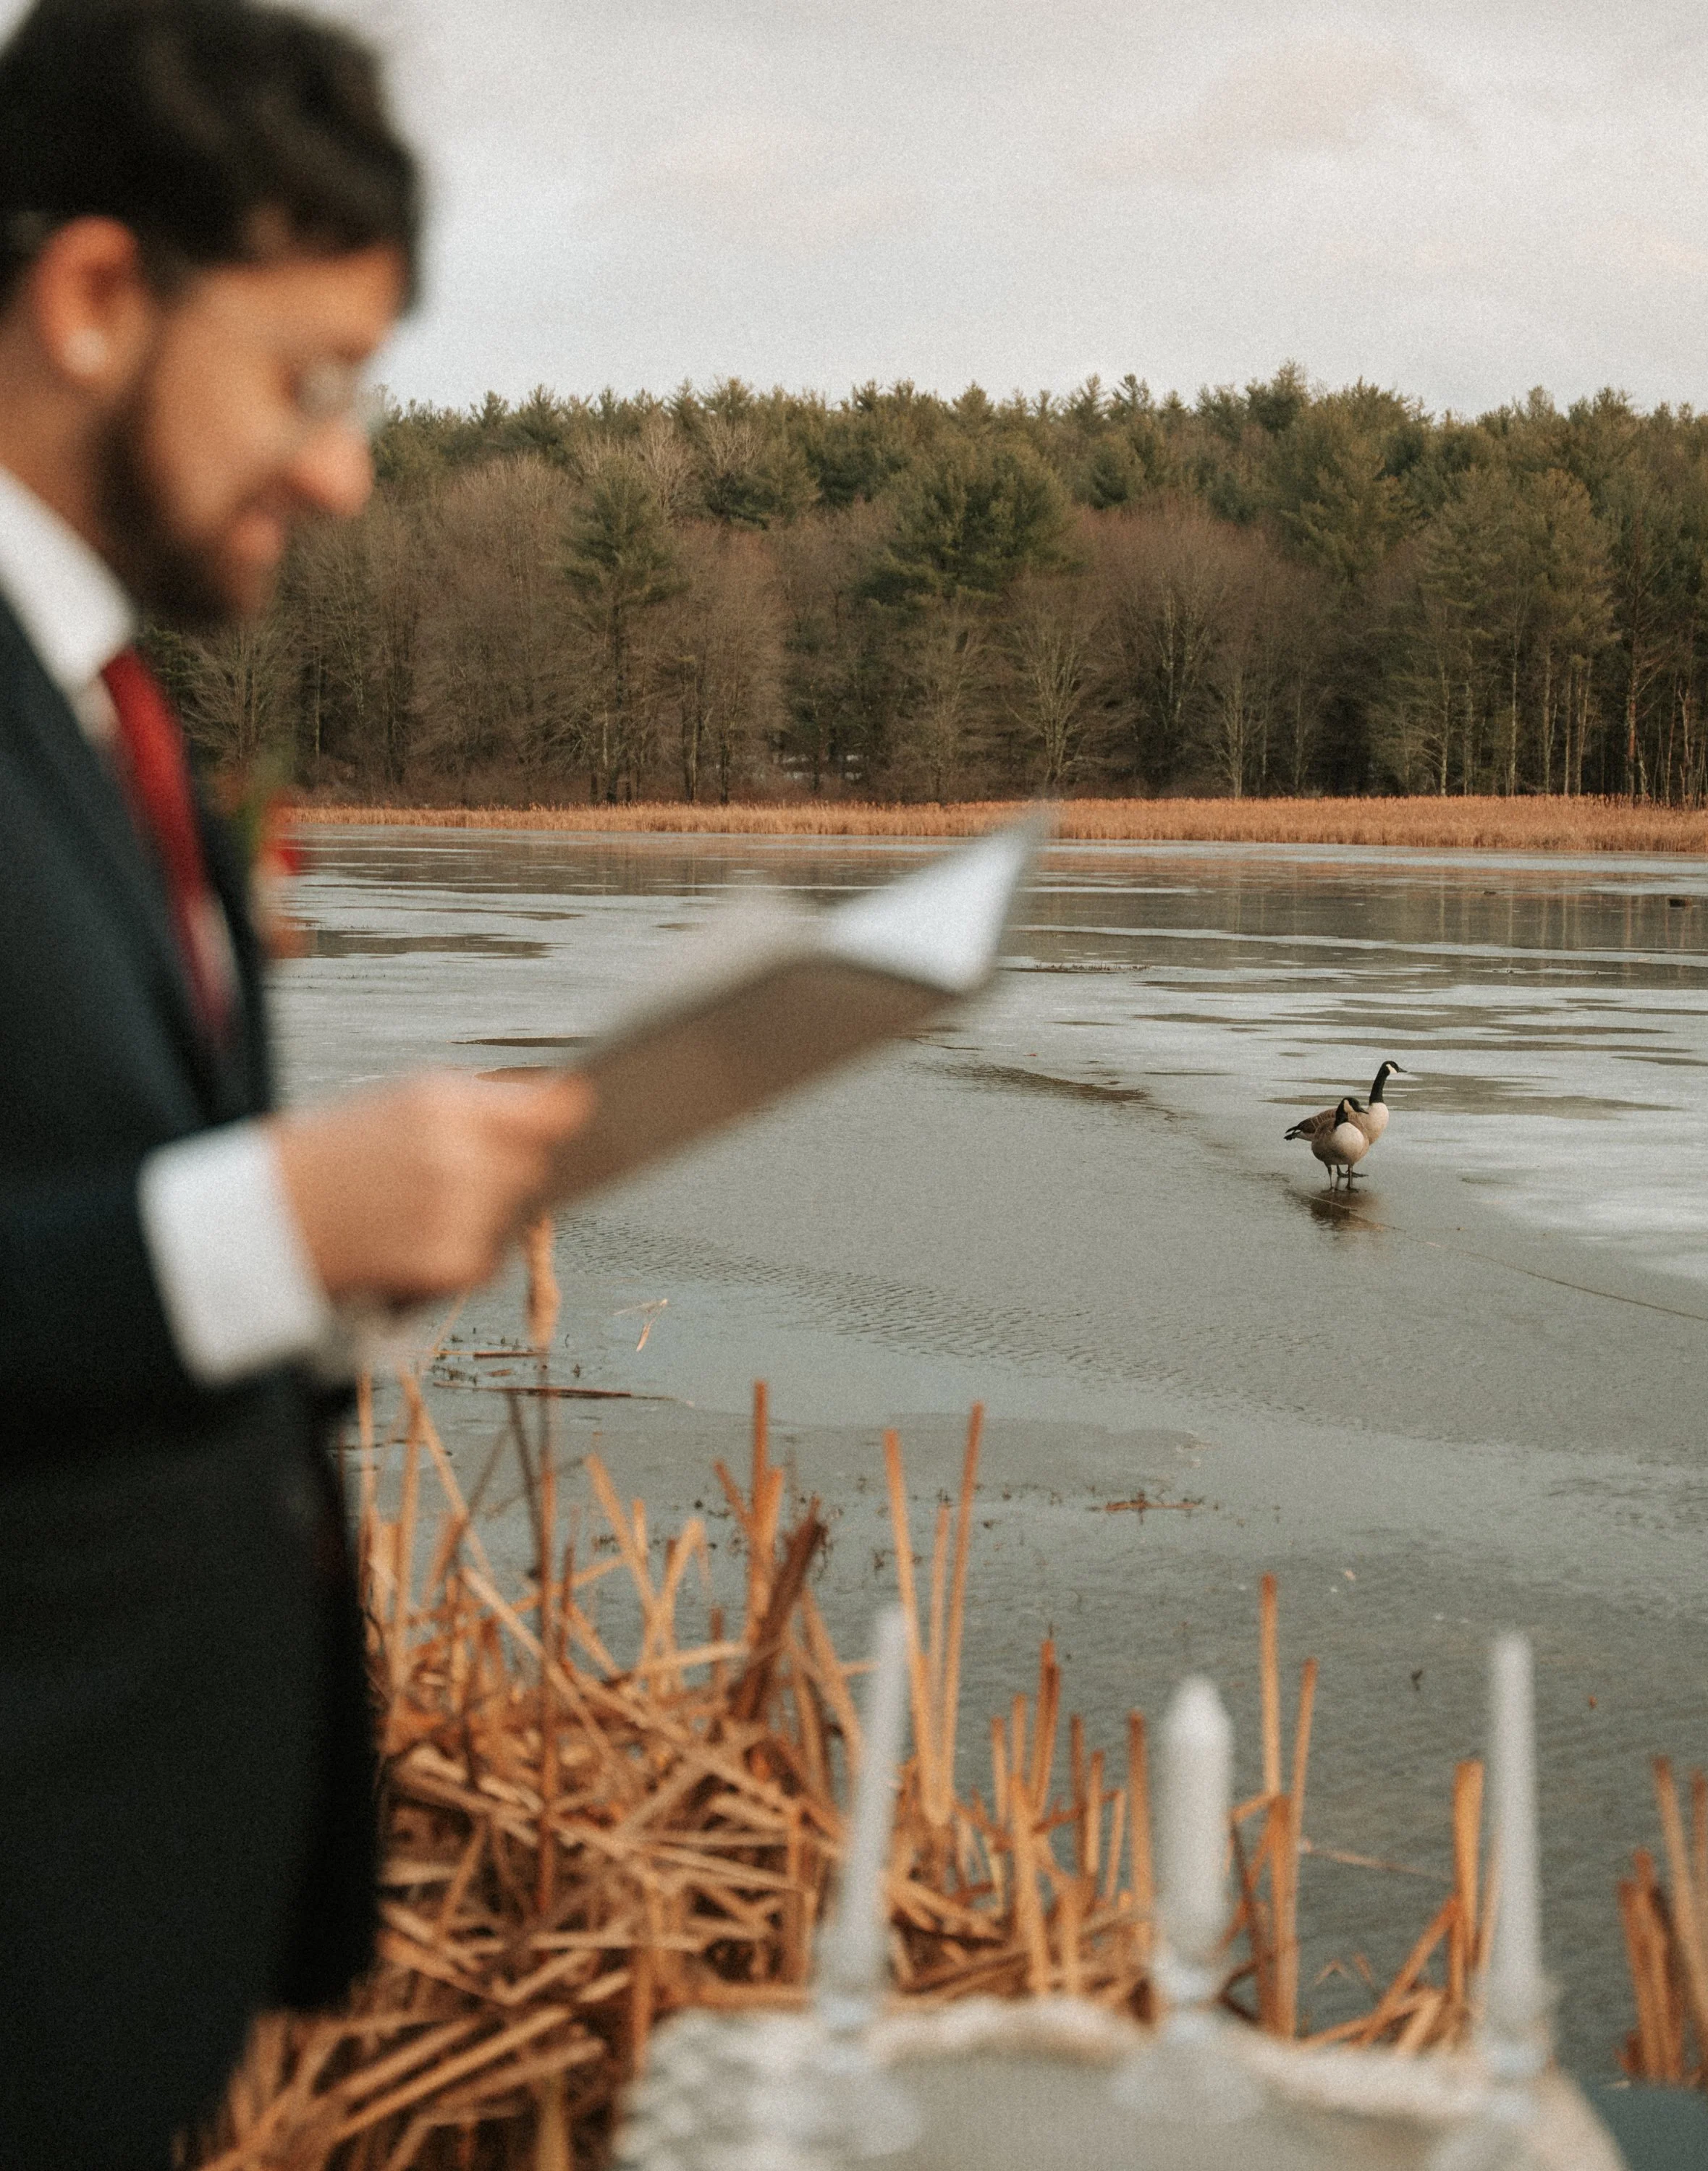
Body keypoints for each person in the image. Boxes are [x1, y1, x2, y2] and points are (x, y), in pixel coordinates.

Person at [0, 3, 591, 2162]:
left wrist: (329, 1279)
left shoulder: (108, 715)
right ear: (91, 299)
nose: (347, 471)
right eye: (310, 382)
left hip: (100, 1967)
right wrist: (263, 1227)